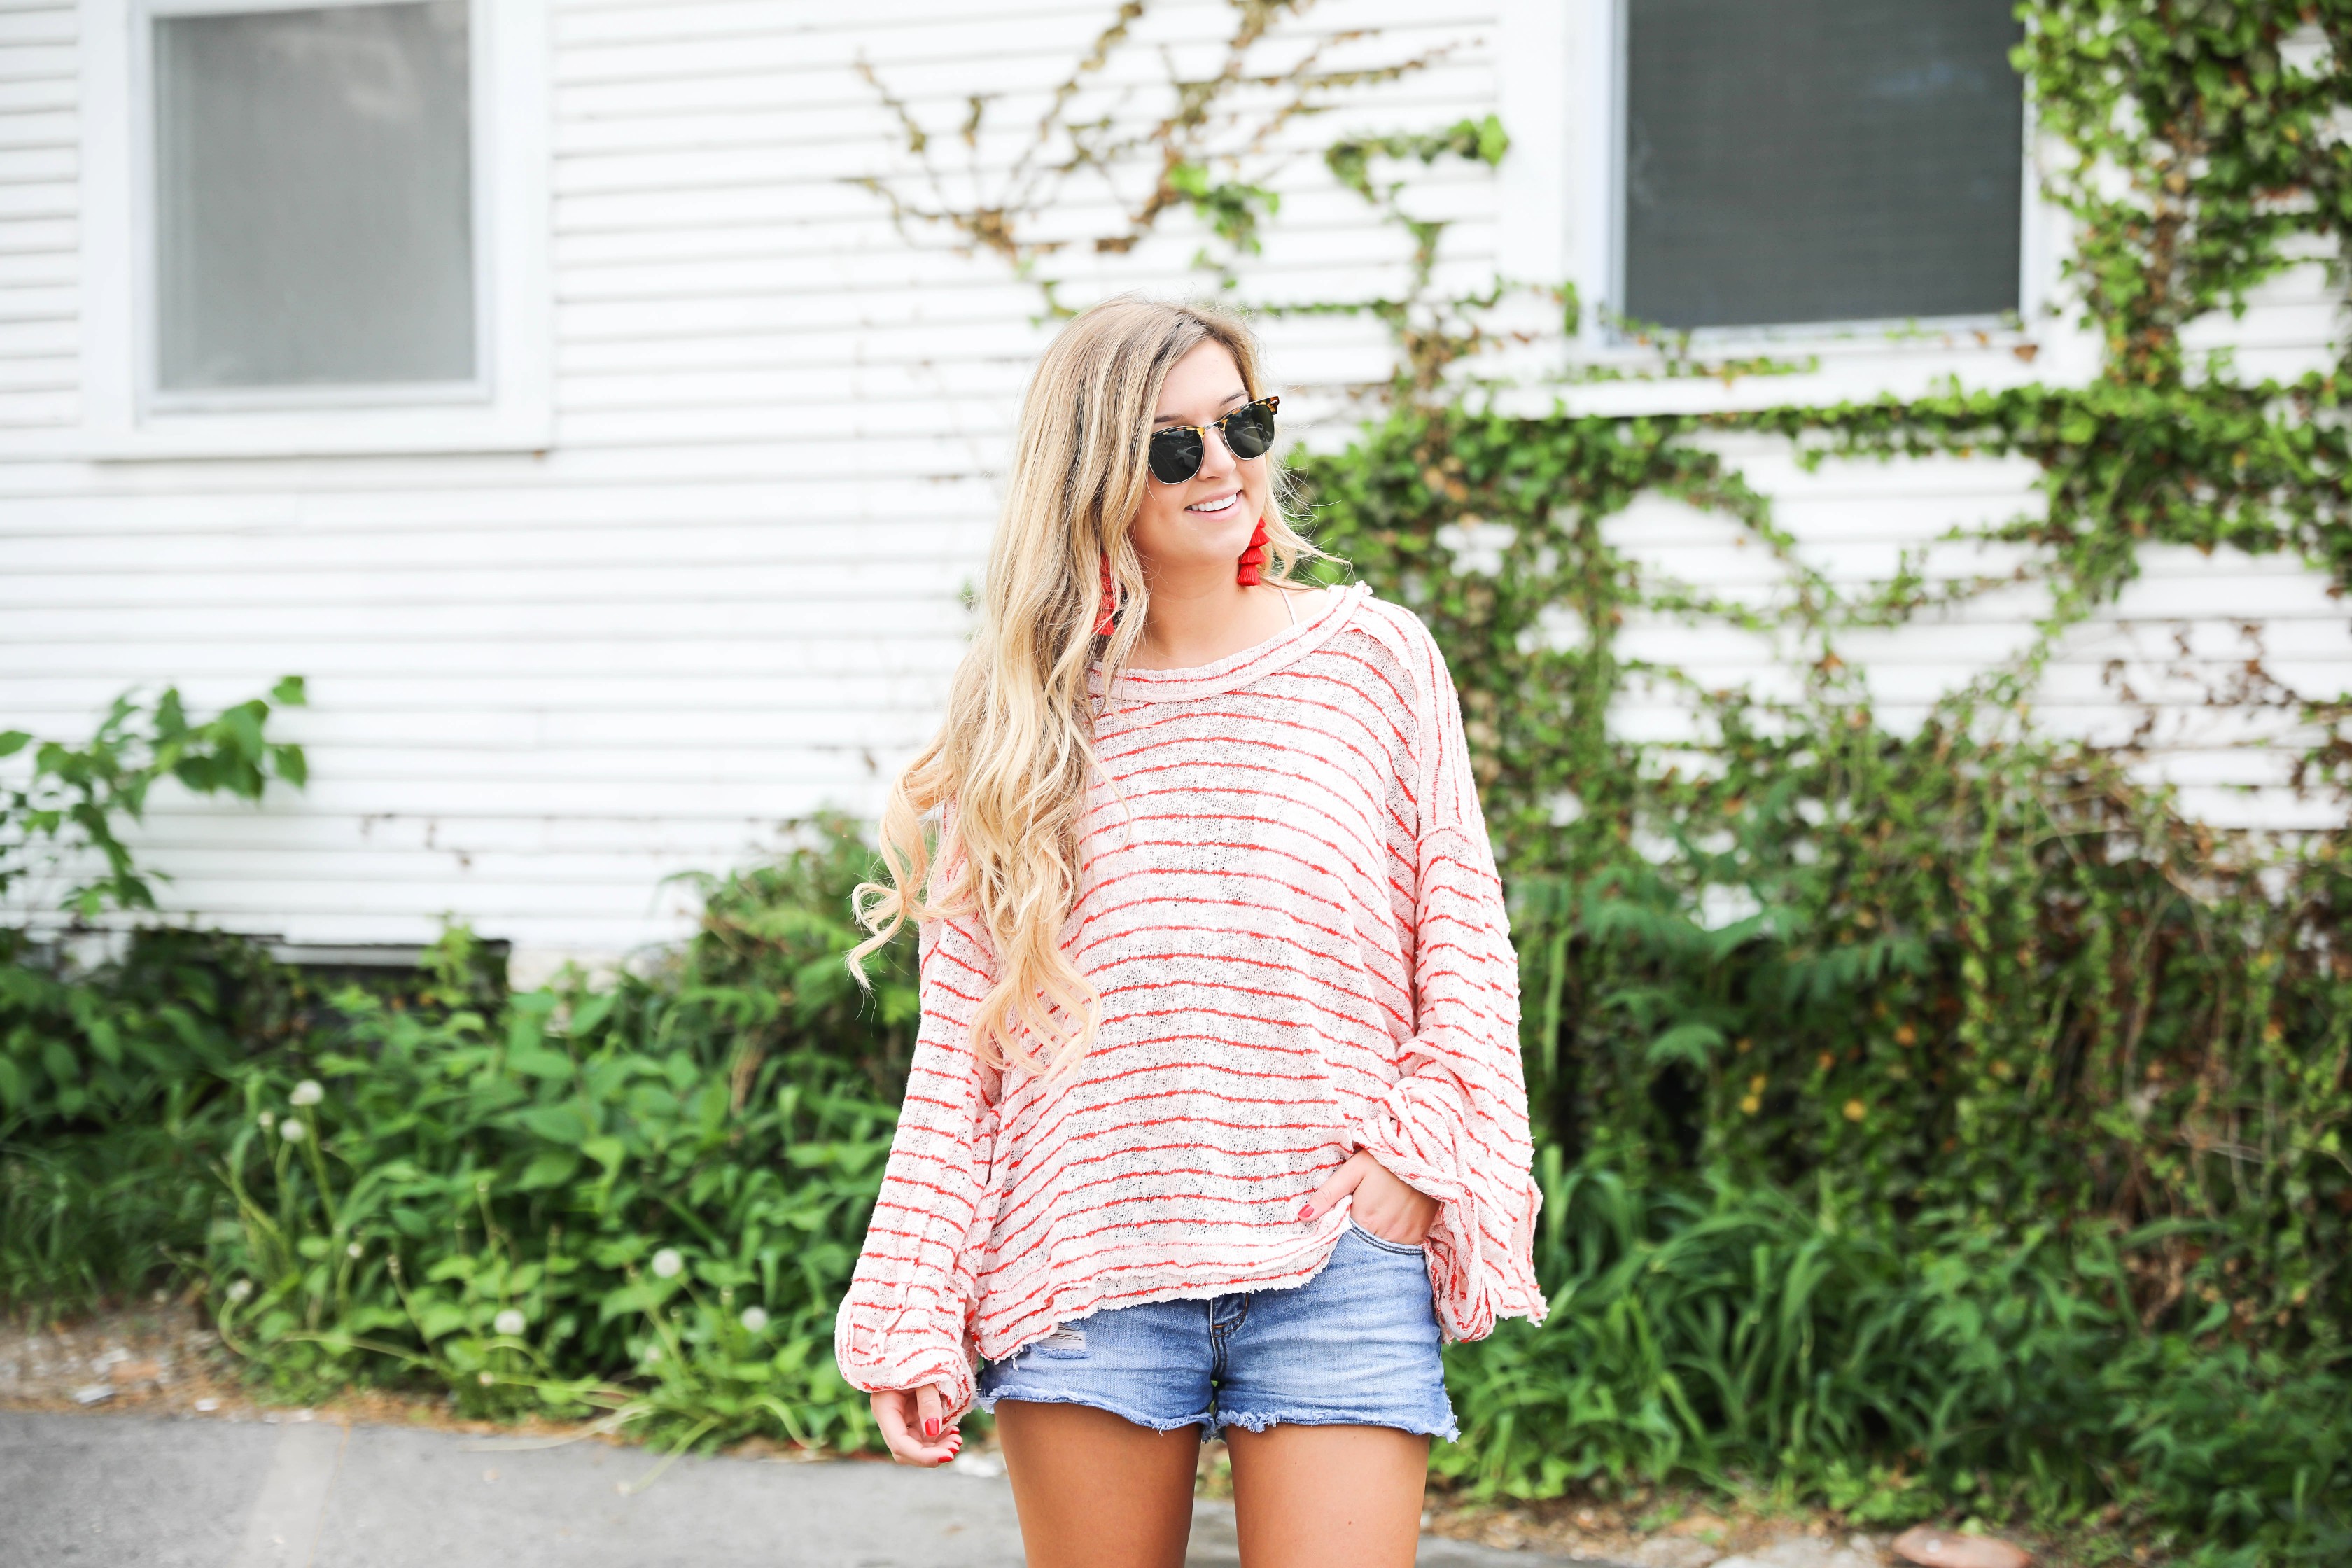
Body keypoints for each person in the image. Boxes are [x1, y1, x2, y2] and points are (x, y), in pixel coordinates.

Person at [833, 295, 1546, 1568]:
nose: (1221, 466)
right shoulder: (1026, 724)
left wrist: (1420, 1158)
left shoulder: (1377, 661)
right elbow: (964, 1049)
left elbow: (1467, 950)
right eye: (1173, 445)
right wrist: (912, 1297)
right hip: (1082, 1258)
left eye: (1242, 424)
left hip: (1336, 1250)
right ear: (1096, 476)